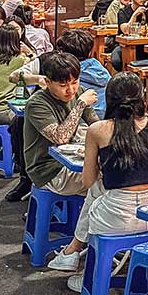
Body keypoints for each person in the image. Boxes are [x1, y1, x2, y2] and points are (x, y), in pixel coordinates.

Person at [47, 73, 148, 294]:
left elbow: (87, 180)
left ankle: (87, 270)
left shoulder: (98, 130)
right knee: (101, 191)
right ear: (141, 97)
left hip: (113, 219)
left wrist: (106, 166)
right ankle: (74, 254)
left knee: (97, 189)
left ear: (109, 98)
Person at [23, 52, 100, 225]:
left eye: (75, 82)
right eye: (63, 85)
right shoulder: (37, 103)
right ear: (48, 82)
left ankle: (89, 237)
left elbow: (95, 124)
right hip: (48, 170)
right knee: (106, 181)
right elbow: (61, 137)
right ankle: (88, 241)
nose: (71, 89)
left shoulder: (78, 92)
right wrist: (80, 105)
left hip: (70, 163)